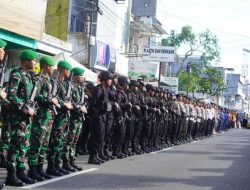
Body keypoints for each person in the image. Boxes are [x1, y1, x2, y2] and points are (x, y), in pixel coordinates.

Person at [5, 50, 38, 186]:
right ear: (26, 61)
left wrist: (32, 108)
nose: (35, 63)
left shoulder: (29, 76)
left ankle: (20, 172)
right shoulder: (16, 74)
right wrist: (25, 107)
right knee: (15, 146)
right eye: (33, 60)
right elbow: (11, 95)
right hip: (18, 117)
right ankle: (11, 175)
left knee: (24, 145)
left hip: (26, 118)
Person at [27, 56, 58, 181]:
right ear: (46, 66)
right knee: (37, 143)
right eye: (51, 67)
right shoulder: (38, 79)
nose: (53, 69)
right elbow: (36, 96)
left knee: (44, 144)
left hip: (48, 117)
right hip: (40, 117)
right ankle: (32, 170)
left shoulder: (49, 80)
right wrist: (49, 99)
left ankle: (40, 168)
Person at [46, 60, 73, 176]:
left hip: (64, 117)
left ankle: (57, 164)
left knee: (60, 142)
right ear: (65, 70)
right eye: (69, 70)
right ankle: (51, 166)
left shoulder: (65, 84)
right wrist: (63, 104)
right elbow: (53, 97)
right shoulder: (55, 82)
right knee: (55, 141)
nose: (70, 73)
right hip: (57, 117)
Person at [61, 67, 86, 172]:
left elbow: (81, 102)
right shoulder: (71, 87)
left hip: (79, 118)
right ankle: (66, 162)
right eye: (81, 75)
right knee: (68, 141)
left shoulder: (81, 88)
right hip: (72, 119)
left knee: (74, 142)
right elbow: (69, 101)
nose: (83, 77)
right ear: (75, 76)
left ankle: (72, 161)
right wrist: (79, 107)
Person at [88, 71, 114, 165]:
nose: (111, 81)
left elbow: (110, 101)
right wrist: (98, 111)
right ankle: (92, 157)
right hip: (97, 116)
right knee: (96, 137)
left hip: (103, 116)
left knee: (101, 137)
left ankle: (96, 156)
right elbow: (92, 104)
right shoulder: (98, 89)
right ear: (104, 80)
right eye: (109, 79)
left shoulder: (106, 89)